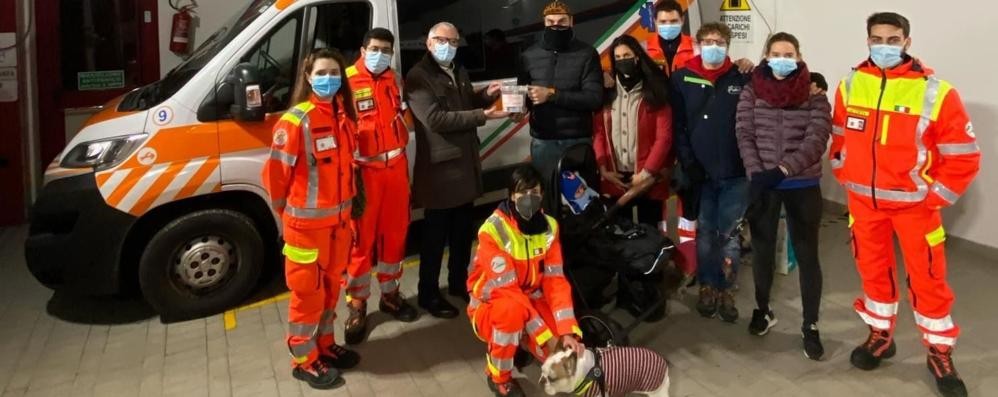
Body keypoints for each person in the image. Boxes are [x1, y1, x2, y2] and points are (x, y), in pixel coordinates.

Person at [828, 12, 980, 397]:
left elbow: (963, 155)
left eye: (892, 40)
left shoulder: (937, 92)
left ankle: (939, 352)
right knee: (873, 272)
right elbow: (840, 136)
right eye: (877, 39)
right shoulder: (850, 84)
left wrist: (934, 197)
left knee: (929, 282)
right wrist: (844, 172)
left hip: (916, 208)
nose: (884, 46)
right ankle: (880, 335)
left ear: (907, 42)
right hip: (864, 205)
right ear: (867, 41)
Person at [262, 48, 361, 390]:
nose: (329, 79)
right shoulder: (295, 121)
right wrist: (287, 215)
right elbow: (275, 176)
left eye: (335, 73)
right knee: (308, 295)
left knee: (332, 289)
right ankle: (304, 360)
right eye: (321, 73)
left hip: (338, 227)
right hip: (305, 229)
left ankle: (324, 345)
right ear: (307, 77)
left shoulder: (344, 119)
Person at [734, 32, 831, 360]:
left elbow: (817, 139)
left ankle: (810, 325)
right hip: (763, 182)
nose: (782, 58)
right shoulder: (750, 91)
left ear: (799, 56)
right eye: (776, 53)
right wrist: (757, 174)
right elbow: (744, 132)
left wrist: (783, 171)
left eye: (788, 53)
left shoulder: (815, 94)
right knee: (762, 251)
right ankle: (763, 310)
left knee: (807, 256)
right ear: (765, 55)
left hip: (801, 184)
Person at [644, 1, 754, 285]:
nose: (668, 25)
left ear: (682, 21)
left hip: (710, 153)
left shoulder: (707, 56)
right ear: (655, 23)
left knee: (689, 209)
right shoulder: (645, 50)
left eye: (673, 20)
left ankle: (690, 263)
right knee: (657, 203)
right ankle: (663, 262)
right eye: (663, 21)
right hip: (664, 138)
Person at [406, 22, 506, 318]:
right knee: (435, 237)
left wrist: (486, 94)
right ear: (428, 42)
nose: (447, 45)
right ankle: (428, 294)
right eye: (441, 40)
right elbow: (435, 119)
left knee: (463, 232)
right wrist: (483, 115)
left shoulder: (457, 69)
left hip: (465, 166)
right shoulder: (418, 77)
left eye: (453, 41)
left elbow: (464, 101)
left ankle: (458, 283)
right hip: (440, 173)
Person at [468, 165, 584, 397]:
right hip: (494, 303)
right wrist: (547, 337)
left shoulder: (550, 227)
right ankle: (498, 377)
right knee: (512, 315)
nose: (529, 199)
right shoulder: (493, 231)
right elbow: (509, 291)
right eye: (522, 193)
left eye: (535, 192)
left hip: (531, 297)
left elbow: (555, 281)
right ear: (511, 195)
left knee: (563, 356)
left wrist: (566, 332)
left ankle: (524, 343)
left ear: (542, 195)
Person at [671, 22, 751, 323]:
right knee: (705, 234)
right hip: (700, 174)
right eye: (707, 41)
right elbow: (678, 126)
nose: (713, 46)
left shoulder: (742, 77)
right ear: (698, 44)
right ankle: (706, 286)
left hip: (736, 173)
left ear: (728, 46)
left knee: (729, 235)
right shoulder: (681, 78)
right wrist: (689, 164)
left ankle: (726, 289)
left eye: (719, 42)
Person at [342, 27, 419, 345]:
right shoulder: (344, 80)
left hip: (396, 168)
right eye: (374, 48)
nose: (380, 55)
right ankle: (357, 305)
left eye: (386, 50)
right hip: (364, 173)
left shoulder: (395, 79)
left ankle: (390, 294)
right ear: (362, 50)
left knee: (396, 234)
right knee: (361, 242)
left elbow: (405, 117)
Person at [592, 35, 672, 319]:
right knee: (620, 241)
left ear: (638, 57)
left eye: (628, 55)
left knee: (649, 239)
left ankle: (651, 298)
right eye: (618, 57)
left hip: (647, 180)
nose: (623, 61)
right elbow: (599, 132)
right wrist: (602, 166)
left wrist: (648, 171)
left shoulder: (654, 90)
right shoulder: (607, 93)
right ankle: (627, 293)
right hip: (616, 179)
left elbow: (664, 136)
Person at [517, 0, 603, 199]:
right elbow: (524, 96)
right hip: (543, 141)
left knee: (581, 201)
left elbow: (594, 98)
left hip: (577, 141)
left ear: (571, 22)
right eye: (551, 21)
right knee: (547, 199)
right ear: (544, 23)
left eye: (561, 21)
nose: (556, 25)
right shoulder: (529, 56)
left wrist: (552, 94)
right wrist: (518, 110)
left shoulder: (587, 53)